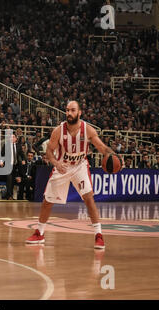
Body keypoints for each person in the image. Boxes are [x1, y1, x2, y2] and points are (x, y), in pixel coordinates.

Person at [26, 101, 120, 249]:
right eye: (67, 110)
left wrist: (114, 157)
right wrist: (56, 163)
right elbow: (49, 152)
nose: (69, 113)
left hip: (80, 167)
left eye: (73, 110)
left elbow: (102, 147)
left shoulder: (87, 130)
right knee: (47, 201)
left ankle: (99, 235)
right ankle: (39, 233)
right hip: (62, 166)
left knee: (89, 199)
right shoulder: (58, 130)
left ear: (79, 112)